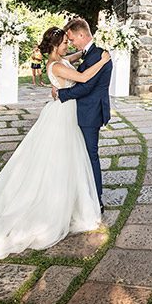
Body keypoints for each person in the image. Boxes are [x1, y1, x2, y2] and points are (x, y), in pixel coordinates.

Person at [0, 27, 110, 259]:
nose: (69, 45)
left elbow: (73, 58)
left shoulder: (60, 60)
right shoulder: (56, 65)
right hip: (63, 115)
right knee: (59, 159)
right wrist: (103, 60)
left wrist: (82, 54)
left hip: (63, 112)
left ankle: (71, 198)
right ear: (56, 46)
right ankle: (53, 205)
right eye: (66, 42)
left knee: (68, 160)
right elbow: (84, 78)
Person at [52, 17, 112, 210]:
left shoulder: (97, 55)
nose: (70, 43)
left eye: (72, 39)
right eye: (66, 41)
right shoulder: (90, 53)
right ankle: (82, 195)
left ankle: (96, 200)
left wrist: (61, 93)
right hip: (83, 111)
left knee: (89, 156)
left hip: (90, 113)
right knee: (79, 156)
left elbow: (86, 86)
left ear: (81, 35)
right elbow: (70, 62)